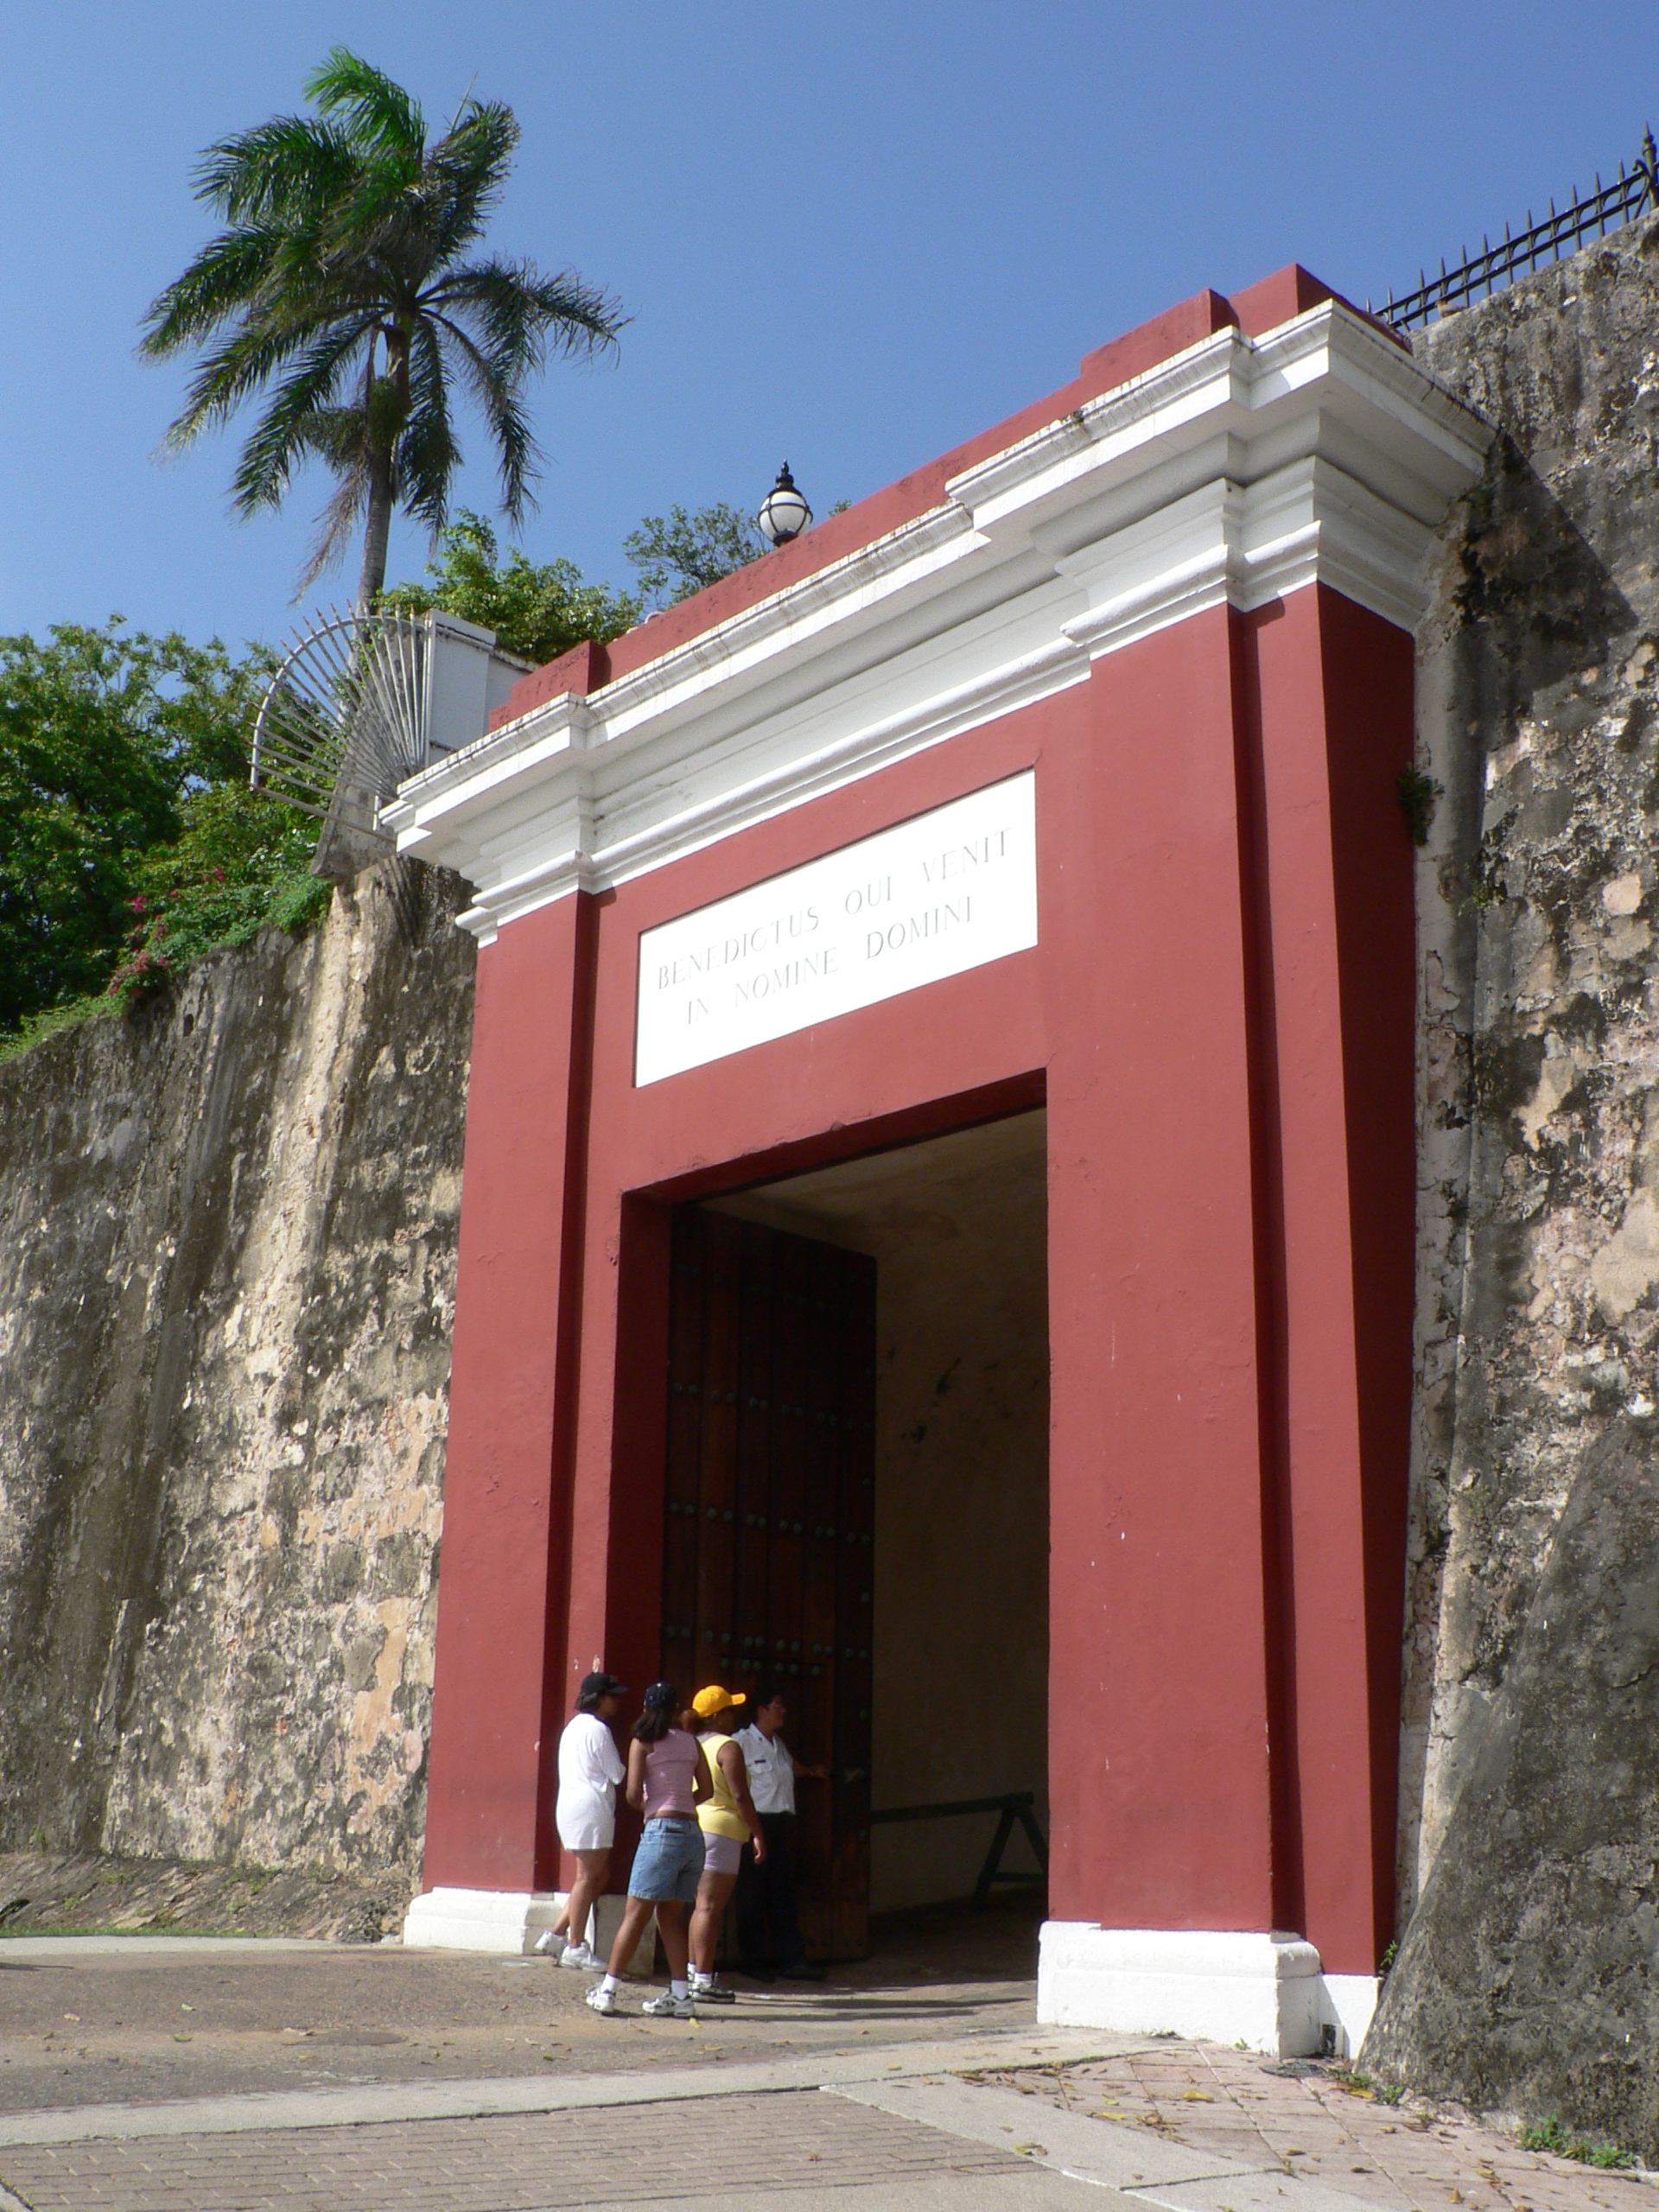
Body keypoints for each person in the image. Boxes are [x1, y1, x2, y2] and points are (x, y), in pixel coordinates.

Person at [585, 1682, 711, 2018]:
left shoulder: (642, 1742)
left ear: (644, 1707)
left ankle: (608, 1990)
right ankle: (681, 1994)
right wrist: (682, 1805)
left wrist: (653, 1807)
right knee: (671, 1915)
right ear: (676, 1710)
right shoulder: (691, 1741)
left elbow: (630, 1793)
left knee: (635, 1913)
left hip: (661, 1830)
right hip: (692, 1834)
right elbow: (707, 1789)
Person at [733, 1687, 828, 1981]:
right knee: (751, 1895)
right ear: (761, 1709)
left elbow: (789, 1768)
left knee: (781, 1895)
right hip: (754, 1825)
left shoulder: (777, 1744)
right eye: (777, 1705)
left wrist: (812, 1771)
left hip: (779, 1825)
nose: (782, 1710)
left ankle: (792, 1961)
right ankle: (753, 1961)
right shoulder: (741, 1743)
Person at [536, 1670, 626, 1969]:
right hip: (591, 1806)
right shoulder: (598, 1730)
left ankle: (556, 1932)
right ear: (599, 1698)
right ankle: (575, 1945)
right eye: (612, 1696)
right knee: (588, 1878)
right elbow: (617, 1773)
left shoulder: (572, 1727)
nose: (616, 1702)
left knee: (597, 1876)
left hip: (571, 1805)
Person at [686, 1685, 767, 2006]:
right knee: (710, 1907)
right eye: (730, 1710)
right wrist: (758, 1832)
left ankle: (694, 1972)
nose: (734, 1715)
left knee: (699, 1905)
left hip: (695, 1824)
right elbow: (740, 1795)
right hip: (721, 1829)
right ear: (718, 1717)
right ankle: (704, 1979)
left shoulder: (692, 1744)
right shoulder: (728, 1746)